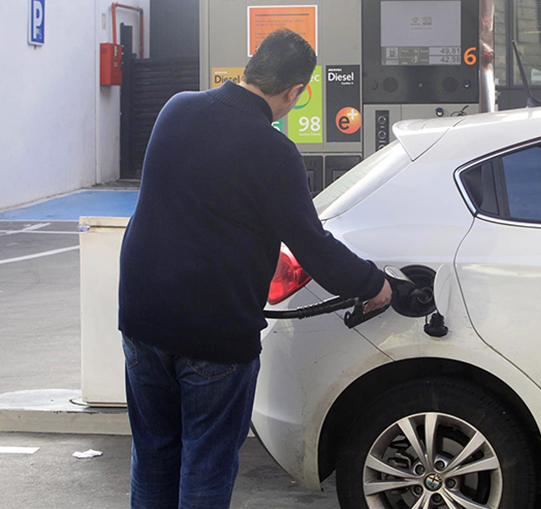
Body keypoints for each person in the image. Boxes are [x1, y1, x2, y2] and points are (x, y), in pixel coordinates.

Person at [118, 29, 391, 509]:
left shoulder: (176, 108)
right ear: (296, 92)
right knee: (207, 461)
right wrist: (374, 284)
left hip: (143, 320)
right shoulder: (274, 152)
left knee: (155, 453)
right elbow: (312, 245)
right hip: (214, 334)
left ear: (250, 66)